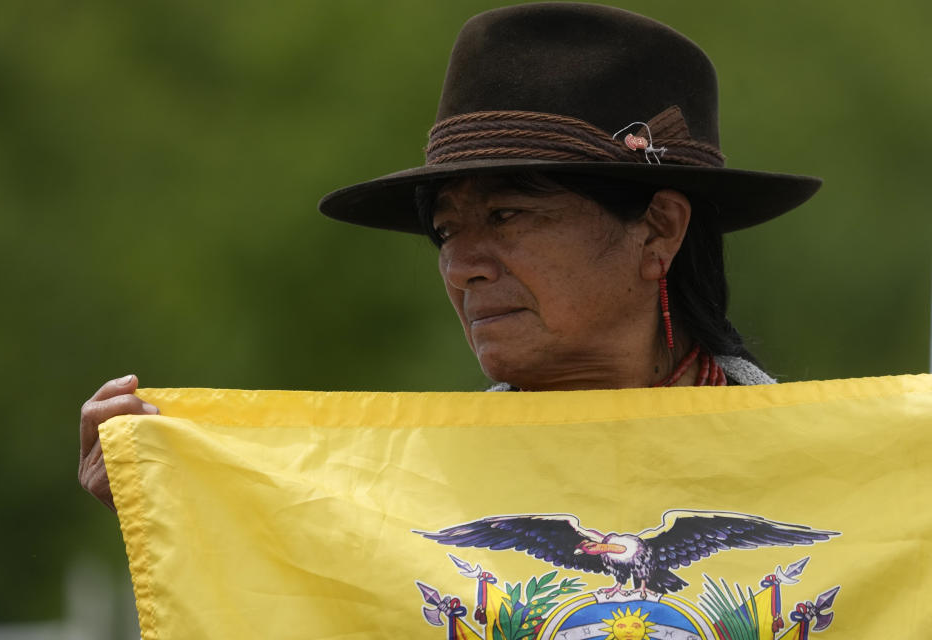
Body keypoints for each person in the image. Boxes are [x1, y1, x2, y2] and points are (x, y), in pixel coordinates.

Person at [80, 3, 821, 508]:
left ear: (658, 229)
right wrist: (190, 508)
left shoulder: (831, 473)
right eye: (445, 231)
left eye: (506, 214)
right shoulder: (403, 498)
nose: (463, 264)